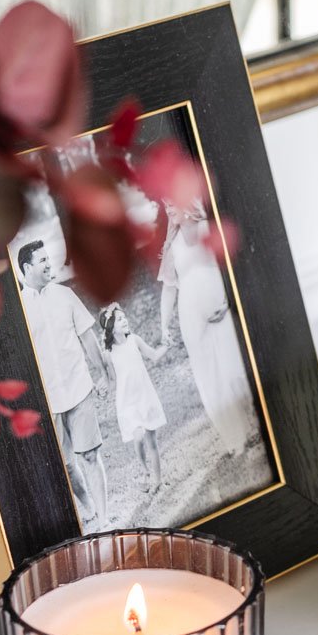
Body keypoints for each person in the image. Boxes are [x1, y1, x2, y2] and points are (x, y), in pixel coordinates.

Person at [16, 240, 110, 528]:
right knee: (66, 464)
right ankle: (89, 507)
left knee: (90, 455)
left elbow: (87, 337)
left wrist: (103, 374)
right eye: (42, 260)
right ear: (26, 267)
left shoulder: (65, 295)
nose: (49, 264)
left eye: (48, 258)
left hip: (79, 386)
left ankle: (105, 521)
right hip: (48, 399)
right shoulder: (19, 309)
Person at [159, 202, 257, 457]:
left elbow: (231, 266)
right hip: (191, 319)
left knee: (234, 370)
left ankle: (256, 423)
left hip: (221, 310)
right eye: (165, 205)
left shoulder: (208, 229)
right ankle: (235, 440)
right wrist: (164, 324)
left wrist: (228, 299)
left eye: (172, 202)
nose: (168, 208)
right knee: (211, 378)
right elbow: (169, 289)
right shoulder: (172, 245)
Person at [100, 302, 168, 485]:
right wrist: (104, 388)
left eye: (124, 317)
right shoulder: (109, 353)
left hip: (145, 396)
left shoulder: (134, 340)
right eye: (120, 319)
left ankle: (158, 481)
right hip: (127, 402)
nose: (125, 320)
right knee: (137, 436)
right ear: (111, 326)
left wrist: (166, 346)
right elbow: (112, 380)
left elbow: (153, 355)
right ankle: (144, 468)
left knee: (152, 442)